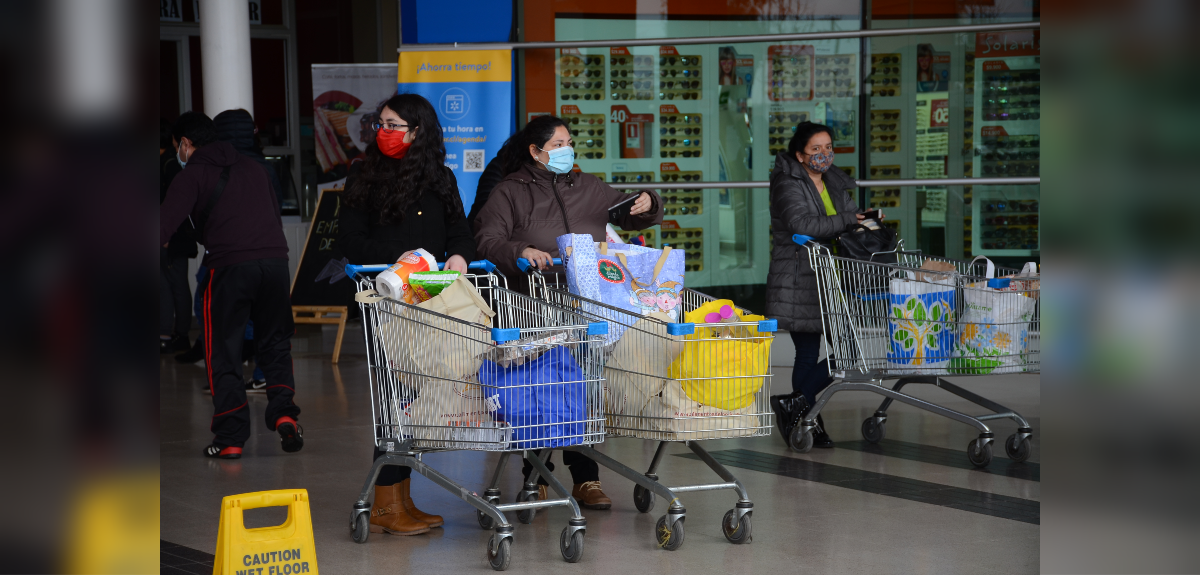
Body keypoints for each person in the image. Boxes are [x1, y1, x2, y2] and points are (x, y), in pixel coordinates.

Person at [474, 114, 663, 509]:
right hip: (533, 302)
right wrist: (521, 250)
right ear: (535, 151)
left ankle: (586, 479)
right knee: (539, 390)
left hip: (585, 303)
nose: (567, 150)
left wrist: (648, 202)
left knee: (584, 386)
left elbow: (627, 213)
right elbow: (488, 240)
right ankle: (536, 476)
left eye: (569, 143)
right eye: (558, 145)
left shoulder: (588, 186)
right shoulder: (510, 192)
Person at [338, 93, 473, 537]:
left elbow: (460, 231)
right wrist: (398, 257)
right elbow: (349, 241)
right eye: (381, 124)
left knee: (417, 402)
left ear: (417, 131)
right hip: (387, 302)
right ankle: (385, 503)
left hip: (432, 301)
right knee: (393, 402)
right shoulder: (363, 175)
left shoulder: (440, 178)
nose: (384, 131)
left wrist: (458, 256)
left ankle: (402, 499)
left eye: (393, 125)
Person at [160, 111, 303, 460]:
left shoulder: (191, 175)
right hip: (275, 264)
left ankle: (230, 437)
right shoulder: (255, 168)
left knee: (223, 351)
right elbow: (272, 216)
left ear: (185, 143)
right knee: (275, 342)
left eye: (176, 146)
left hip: (228, 268)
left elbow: (162, 228)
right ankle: (285, 414)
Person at [765, 121, 877, 449]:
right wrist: (848, 220)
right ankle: (808, 421)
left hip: (829, 276)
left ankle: (798, 410)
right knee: (810, 352)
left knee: (846, 351)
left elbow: (849, 216)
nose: (824, 154)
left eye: (828, 147)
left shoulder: (832, 181)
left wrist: (865, 219)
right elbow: (801, 224)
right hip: (800, 277)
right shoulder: (787, 183)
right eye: (816, 149)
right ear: (800, 155)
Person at [160, 119, 197, 353]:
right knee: (168, 284)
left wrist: (166, 234)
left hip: (172, 238)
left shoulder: (169, 164)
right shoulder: (168, 162)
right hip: (171, 236)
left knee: (176, 285)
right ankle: (168, 334)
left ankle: (179, 335)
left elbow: (175, 203)